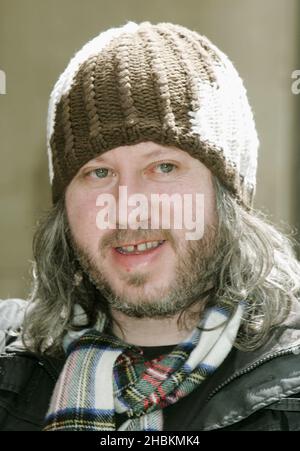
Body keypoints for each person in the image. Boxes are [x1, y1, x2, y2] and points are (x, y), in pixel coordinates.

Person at [1, 21, 300, 432]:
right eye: (98, 173)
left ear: (228, 195)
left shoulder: (289, 391)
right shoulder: (9, 366)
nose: (128, 209)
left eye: (164, 167)